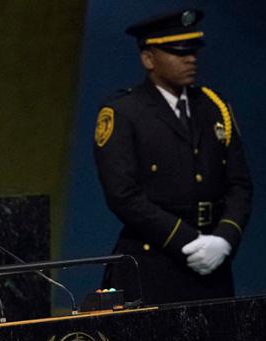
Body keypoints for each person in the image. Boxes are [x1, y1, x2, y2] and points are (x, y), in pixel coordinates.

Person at [93, 9, 253, 304]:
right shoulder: (125, 112)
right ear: (149, 59)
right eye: (177, 52)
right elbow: (123, 195)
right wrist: (186, 240)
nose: (190, 58)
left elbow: (240, 183)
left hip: (213, 262)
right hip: (153, 260)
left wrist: (224, 238)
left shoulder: (214, 107)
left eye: (193, 51)